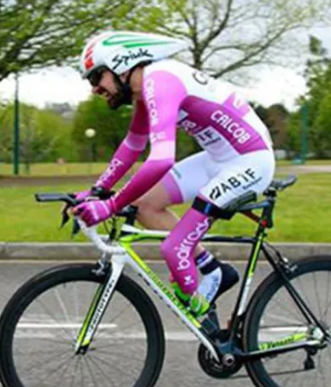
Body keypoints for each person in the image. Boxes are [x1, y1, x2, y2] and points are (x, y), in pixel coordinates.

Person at [72, 31, 276, 316]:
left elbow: (160, 160)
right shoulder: (146, 88)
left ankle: (213, 333)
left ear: (120, 64)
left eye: (96, 78)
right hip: (217, 159)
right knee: (143, 204)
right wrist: (97, 191)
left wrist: (110, 205)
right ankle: (214, 271)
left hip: (249, 162)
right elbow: (133, 145)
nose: (95, 89)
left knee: (175, 248)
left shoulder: (160, 82)